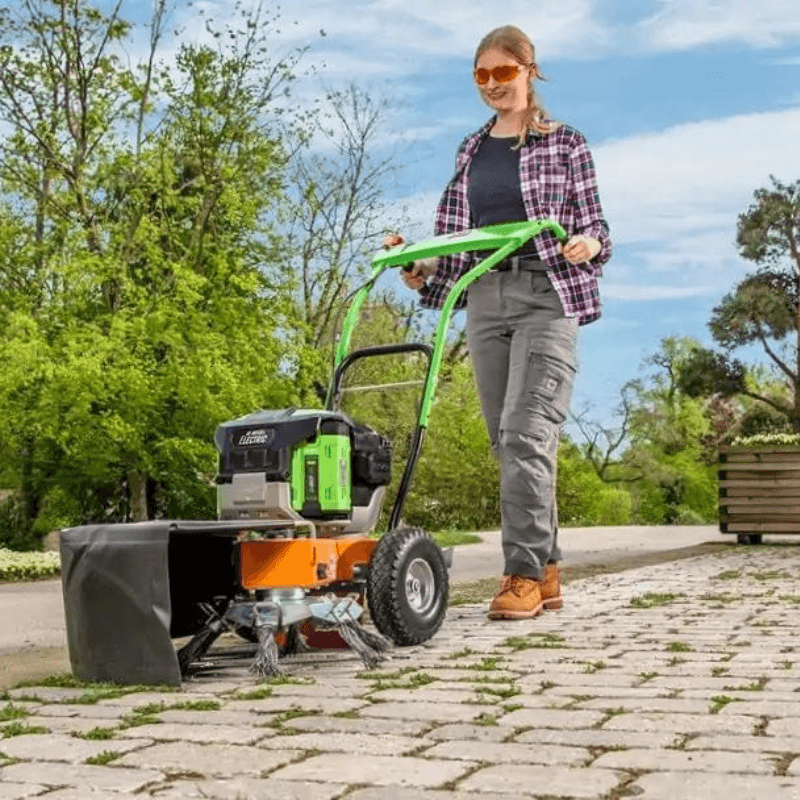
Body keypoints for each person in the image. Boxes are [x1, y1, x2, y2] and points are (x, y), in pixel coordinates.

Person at [384, 24, 611, 620]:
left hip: (546, 293)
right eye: (481, 75)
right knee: (505, 440)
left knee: (526, 432)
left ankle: (522, 576)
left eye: (502, 73)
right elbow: (461, 241)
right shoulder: (470, 148)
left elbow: (598, 227)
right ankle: (549, 566)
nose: (492, 84)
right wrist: (424, 270)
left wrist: (587, 244)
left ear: (529, 71)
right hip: (485, 299)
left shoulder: (566, 144)